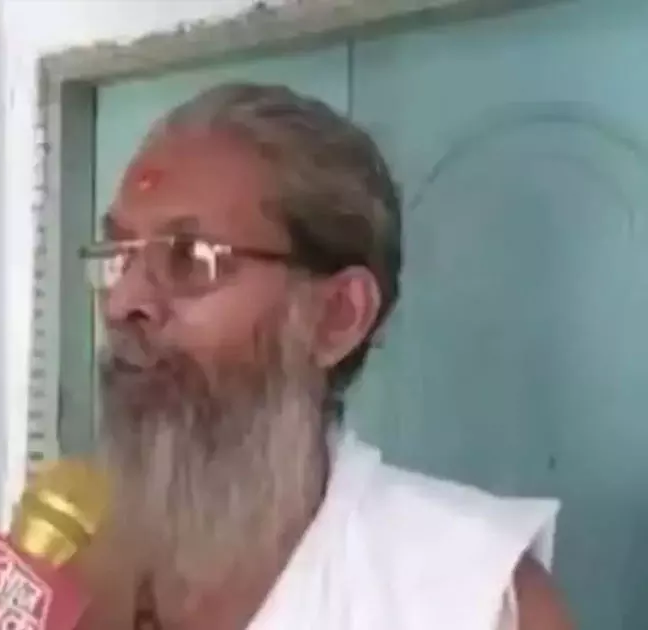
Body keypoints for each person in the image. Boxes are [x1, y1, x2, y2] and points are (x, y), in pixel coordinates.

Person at [73, 83, 573, 630]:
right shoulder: (61, 565)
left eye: (189, 258)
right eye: (119, 256)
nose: (122, 303)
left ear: (337, 316)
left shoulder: (470, 597)